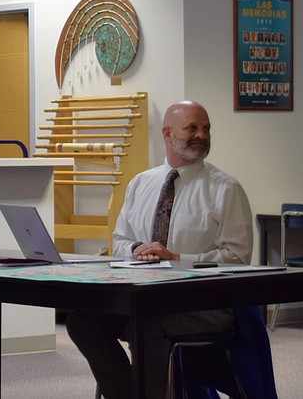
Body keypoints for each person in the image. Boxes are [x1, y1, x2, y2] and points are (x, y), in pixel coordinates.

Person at [66, 100, 253, 399]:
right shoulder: (141, 183)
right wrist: (140, 249)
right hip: (144, 297)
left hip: (203, 305)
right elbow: (121, 241)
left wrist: (177, 259)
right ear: (168, 134)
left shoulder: (225, 189)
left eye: (206, 129)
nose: (202, 135)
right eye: (192, 128)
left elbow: (238, 258)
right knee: (82, 322)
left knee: (148, 323)